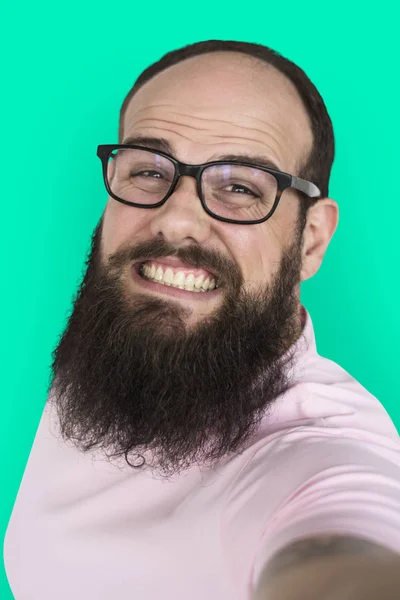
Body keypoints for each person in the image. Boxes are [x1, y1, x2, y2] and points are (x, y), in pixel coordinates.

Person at [4, 40, 400, 600]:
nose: (176, 219)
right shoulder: (116, 328)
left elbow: (348, 551)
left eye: (240, 187)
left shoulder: (325, 458)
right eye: (147, 170)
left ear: (311, 239)